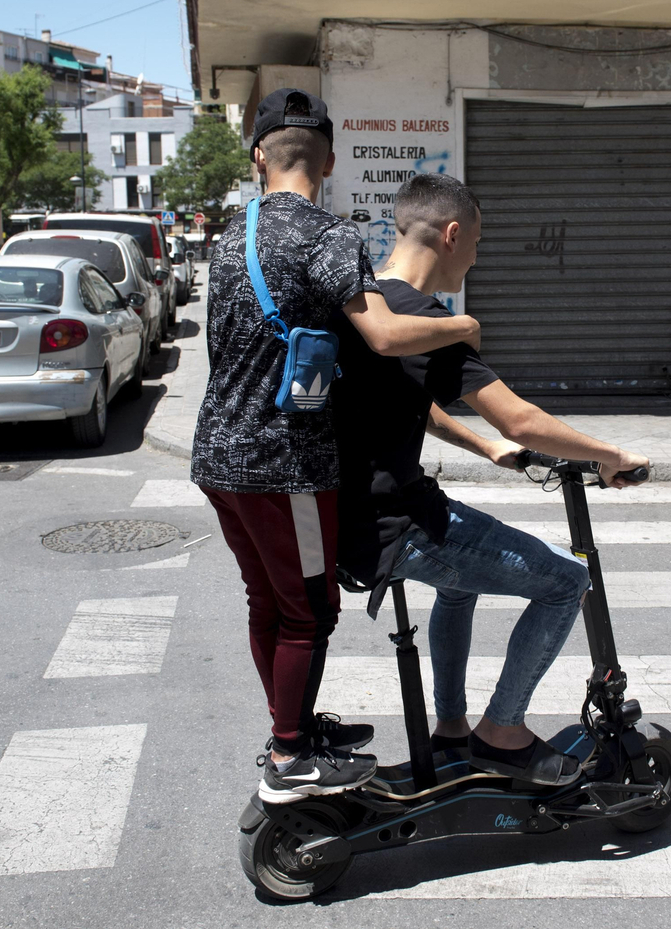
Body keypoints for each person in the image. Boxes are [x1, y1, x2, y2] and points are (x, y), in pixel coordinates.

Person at [192, 90, 482, 805]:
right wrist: (460, 326)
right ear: (329, 160)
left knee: (268, 599)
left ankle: (292, 727)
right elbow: (383, 334)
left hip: (216, 453)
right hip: (284, 461)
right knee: (310, 612)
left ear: (259, 157)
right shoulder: (329, 235)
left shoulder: (228, 235)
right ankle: (290, 759)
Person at [331, 172, 650, 786]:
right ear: (452, 235)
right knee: (567, 579)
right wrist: (611, 454)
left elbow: (411, 403)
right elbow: (524, 418)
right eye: (476, 242)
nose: (476, 255)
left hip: (355, 522)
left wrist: (485, 447)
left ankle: (451, 730)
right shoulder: (428, 320)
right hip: (402, 525)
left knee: (460, 585)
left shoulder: (367, 308)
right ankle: (502, 734)